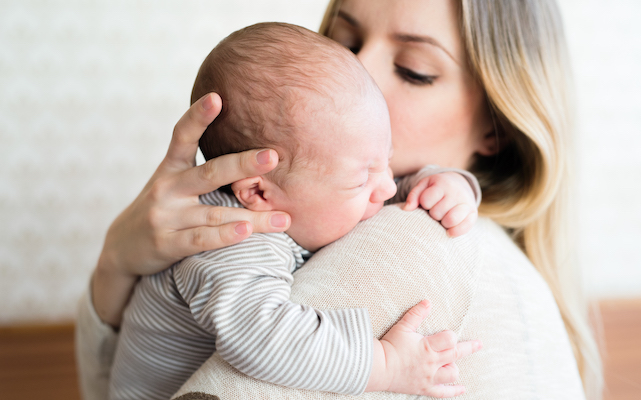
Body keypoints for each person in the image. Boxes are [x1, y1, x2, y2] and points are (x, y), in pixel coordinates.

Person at [76, 0, 603, 399]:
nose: (360, 76)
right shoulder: (242, 238)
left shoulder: (413, 237)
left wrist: (454, 185)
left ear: (496, 127)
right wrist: (119, 260)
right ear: (258, 189)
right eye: (342, 41)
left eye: (414, 68)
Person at [108, 22, 482, 400]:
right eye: (362, 178)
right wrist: (385, 364)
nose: (387, 187)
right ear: (258, 193)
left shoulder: (319, 184)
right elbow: (262, 338)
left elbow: (385, 185)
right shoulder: (231, 241)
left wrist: (446, 184)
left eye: (387, 160)